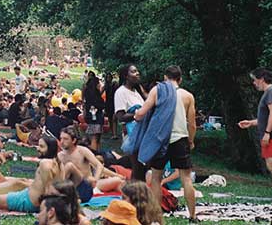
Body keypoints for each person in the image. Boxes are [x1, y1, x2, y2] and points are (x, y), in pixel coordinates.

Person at [133, 65, 196, 220]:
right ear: (180, 79)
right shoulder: (188, 96)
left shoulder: (157, 91)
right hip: (180, 138)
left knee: (156, 178)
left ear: (165, 77)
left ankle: (157, 216)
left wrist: (135, 115)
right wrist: (191, 141)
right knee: (186, 178)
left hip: (160, 140)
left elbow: (141, 113)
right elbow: (192, 124)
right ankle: (192, 216)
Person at [238, 67, 272, 206]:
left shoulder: (271, 92)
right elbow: (267, 117)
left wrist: (267, 133)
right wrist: (251, 123)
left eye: (255, 80)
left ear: (261, 79)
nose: (254, 83)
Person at [57, 127, 123, 203]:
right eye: (61, 138)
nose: (62, 142)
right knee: (69, 166)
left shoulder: (82, 151)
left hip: (88, 184)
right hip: (71, 186)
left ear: (74, 140)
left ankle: (129, 199)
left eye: (65, 139)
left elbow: (99, 166)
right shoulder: (60, 156)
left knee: (118, 181)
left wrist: (96, 179)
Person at [113, 64, 147, 181]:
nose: (137, 73)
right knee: (137, 167)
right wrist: (137, 115)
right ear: (126, 76)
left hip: (143, 133)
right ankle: (133, 190)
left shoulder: (136, 92)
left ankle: (140, 190)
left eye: (137, 71)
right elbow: (120, 116)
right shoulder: (121, 92)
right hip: (133, 134)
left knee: (143, 167)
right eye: (133, 71)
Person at [83, 72, 105, 151]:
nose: (99, 85)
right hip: (95, 118)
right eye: (98, 83)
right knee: (95, 138)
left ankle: (97, 152)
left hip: (92, 117)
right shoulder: (95, 97)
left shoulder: (89, 95)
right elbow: (99, 106)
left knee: (97, 138)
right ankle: (94, 153)